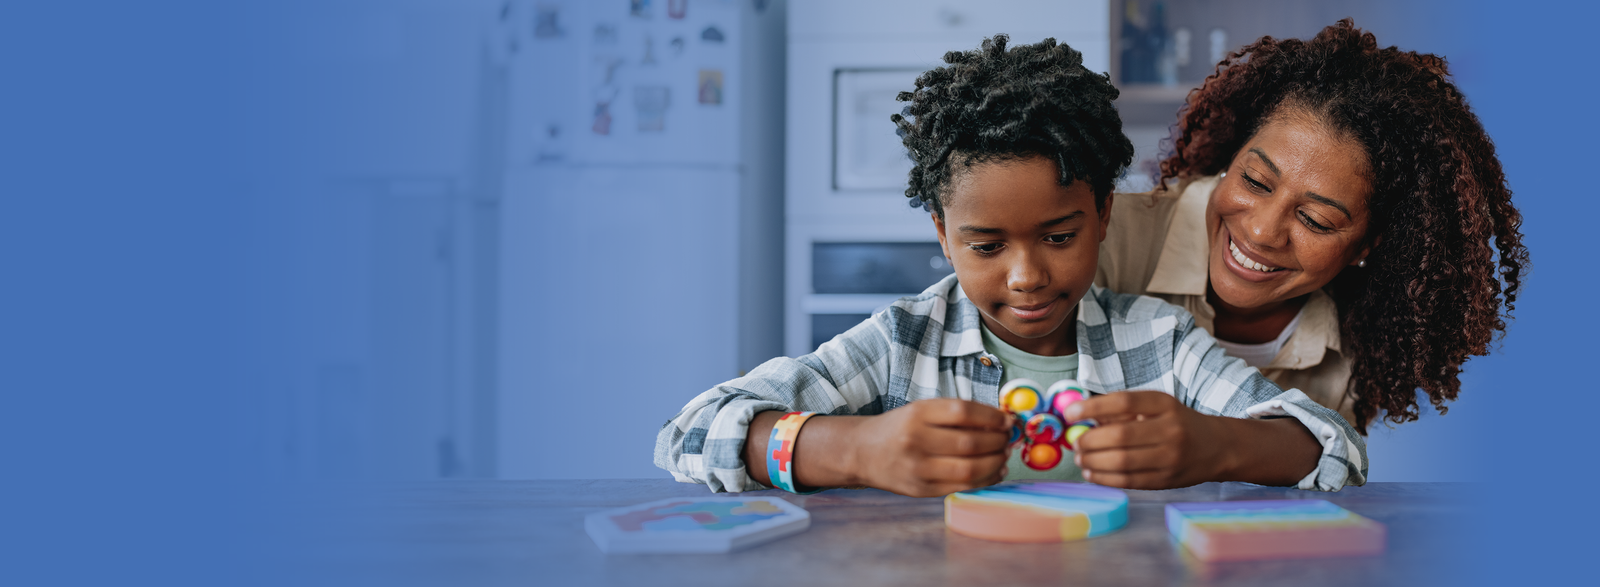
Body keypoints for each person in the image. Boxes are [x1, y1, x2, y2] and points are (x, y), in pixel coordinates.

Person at [653, 35, 1364, 497]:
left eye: (1058, 237)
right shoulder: (904, 344)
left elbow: (1332, 446)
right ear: (942, 234)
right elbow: (690, 432)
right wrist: (853, 447)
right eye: (987, 246)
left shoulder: (1158, 340)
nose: (1026, 276)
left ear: (1104, 216)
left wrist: (1217, 442)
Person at [1098, 19, 1529, 432]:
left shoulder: (1360, 348)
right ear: (1233, 154)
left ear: (1365, 246)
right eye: (1255, 180)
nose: (1264, 231)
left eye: (1316, 220)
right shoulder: (1104, 241)